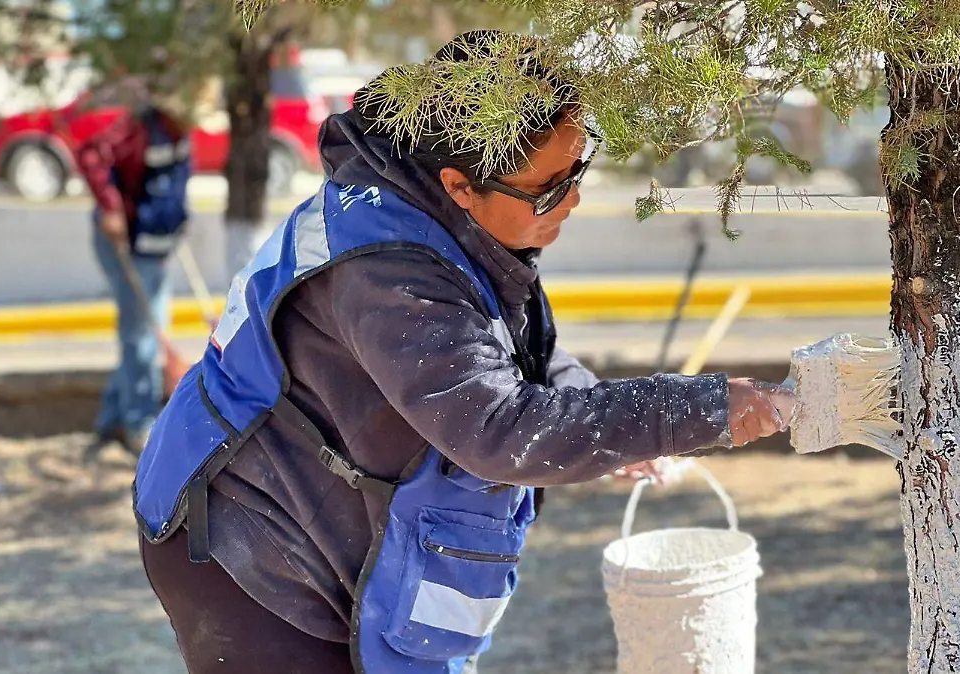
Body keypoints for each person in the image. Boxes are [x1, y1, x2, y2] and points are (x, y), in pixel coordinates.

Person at [134, 31, 792, 674]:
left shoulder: (452, 215)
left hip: (329, 516)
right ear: (458, 184)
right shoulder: (387, 270)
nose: (572, 200)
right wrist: (702, 408)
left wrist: (622, 432)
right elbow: (500, 427)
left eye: (576, 171)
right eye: (547, 187)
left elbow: (510, 355)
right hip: (246, 541)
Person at [76, 92, 192, 456]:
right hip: (124, 241)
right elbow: (90, 155)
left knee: (143, 331)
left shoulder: (179, 134)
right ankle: (140, 423)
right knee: (143, 334)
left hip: (153, 245)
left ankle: (111, 419)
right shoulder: (138, 128)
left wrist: (175, 226)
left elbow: (172, 186)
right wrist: (110, 207)